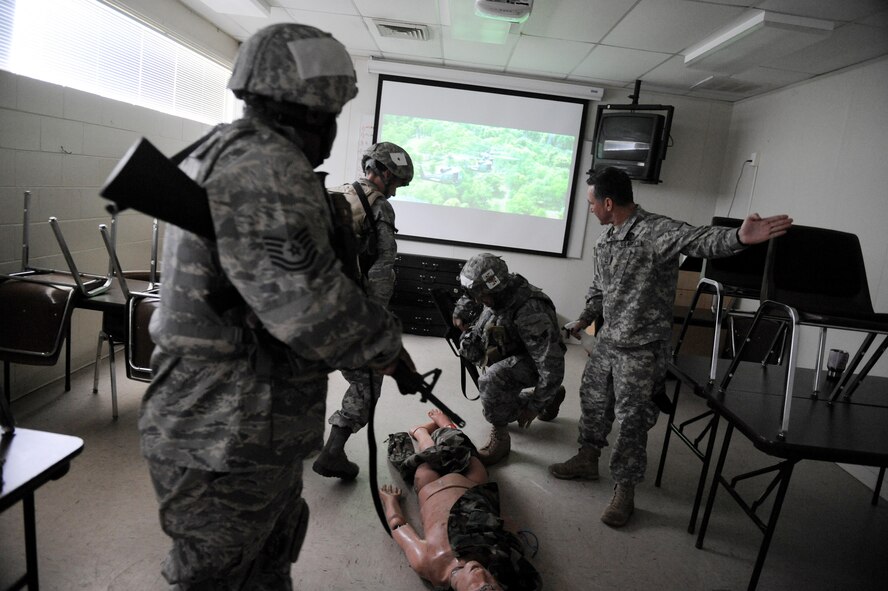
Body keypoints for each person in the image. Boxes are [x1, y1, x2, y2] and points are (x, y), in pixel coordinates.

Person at [139, 23, 407, 590]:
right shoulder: (267, 170)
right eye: (334, 109)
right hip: (225, 426)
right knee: (219, 574)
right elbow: (316, 311)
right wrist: (388, 348)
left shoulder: (225, 148)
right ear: (315, 109)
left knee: (265, 561)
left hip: (243, 417)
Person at [549, 166, 793, 528]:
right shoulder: (605, 242)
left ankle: (625, 490)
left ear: (609, 202)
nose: (590, 209)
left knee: (632, 421)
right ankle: (587, 458)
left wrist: (739, 237)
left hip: (643, 349)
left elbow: (699, 239)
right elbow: (599, 289)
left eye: (591, 203)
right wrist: (584, 319)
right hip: (608, 343)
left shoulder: (654, 231)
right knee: (594, 405)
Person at [313, 141, 414, 480]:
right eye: (397, 182)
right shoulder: (379, 207)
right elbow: (382, 269)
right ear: (384, 172)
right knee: (367, 380)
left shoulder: (336, 193)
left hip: (307, 309)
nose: (396, 191)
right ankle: (333, 451)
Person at [380, 409, 541, 591]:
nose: (481, 575)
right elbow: (506, 527)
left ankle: (420, 432)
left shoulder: (430, 565)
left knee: (430, 454)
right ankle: (446, 425)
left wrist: (390, 502)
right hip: (473, 487)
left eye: (478, 589)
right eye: (492, 587)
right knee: (464, 449)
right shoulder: (498, 560)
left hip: (433, 486)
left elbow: (398, 527)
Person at [452, 253, 566, 466]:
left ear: (497, 288)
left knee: (492, 382)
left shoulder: (530, 311)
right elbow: (471, 295)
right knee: (473, 344)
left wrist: (534, 406)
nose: (478, 300)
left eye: (482, 295)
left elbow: (551, 365)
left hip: (535, 362)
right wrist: (460, 311)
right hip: (512, 348)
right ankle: (550, 398)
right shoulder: (496, 288)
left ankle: (501, 439)